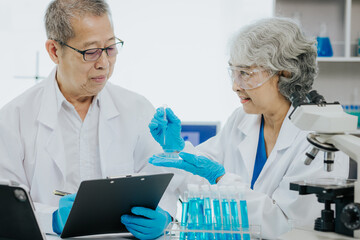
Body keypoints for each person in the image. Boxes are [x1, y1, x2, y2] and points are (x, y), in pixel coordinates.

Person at [148, 17, 349, 239]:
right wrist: (177, 150)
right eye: (233, 72)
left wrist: (221, 179)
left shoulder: (319, 138)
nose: (235, 86)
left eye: (245, 73)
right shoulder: (241, 120)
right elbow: (201, 185)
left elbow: (287, 226)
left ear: (284, 74)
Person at [0, 0, 180, 239]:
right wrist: (52, 218)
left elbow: (162, 184)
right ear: (55, 51)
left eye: (111, 48)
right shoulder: (14, 118)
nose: (103, 63)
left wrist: (165, 217)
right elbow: (7, 207)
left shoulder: (136, 109)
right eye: (91, 51)